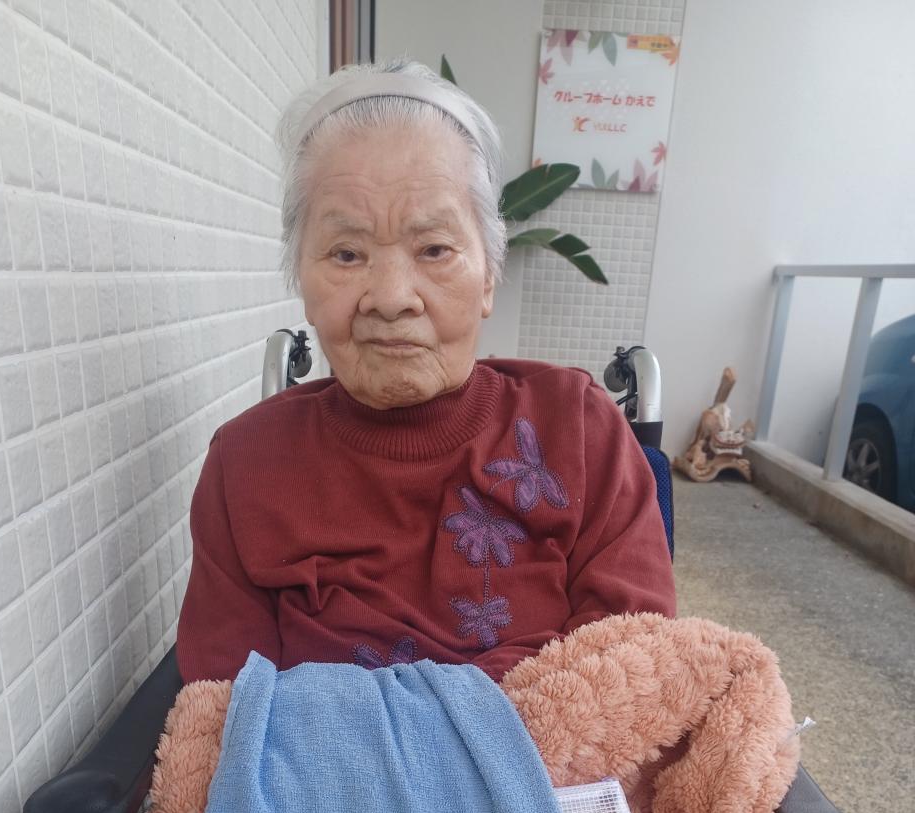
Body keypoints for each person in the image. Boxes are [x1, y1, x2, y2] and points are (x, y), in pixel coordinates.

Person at [176, 60, 675, 684]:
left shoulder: (578, 430)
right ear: (301, 277)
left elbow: (632, 673)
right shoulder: (245, 464)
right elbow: (225, 702)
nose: (391, 298)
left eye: (434, 249)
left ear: (488, 275)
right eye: (347, 253)